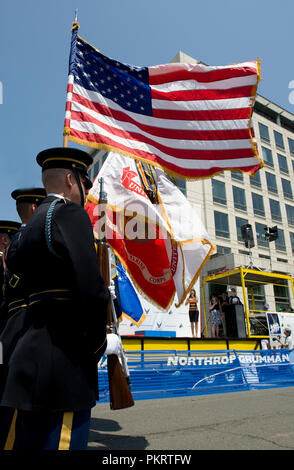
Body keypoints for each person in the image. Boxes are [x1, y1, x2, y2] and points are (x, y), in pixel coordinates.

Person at [0, 147, 121, 450]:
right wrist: (99, 343)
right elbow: (90, 290)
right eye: (85, 183)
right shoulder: (68, 213)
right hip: (64, 364)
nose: (87, 192)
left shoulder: (24, 233)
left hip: (27, 358)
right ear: (71, 180)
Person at [0, 190, 46, 449]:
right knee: (19, 408)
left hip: (10, 327)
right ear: (33, 208)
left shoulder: (18, 244)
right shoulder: (27, 241)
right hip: (24, 325)